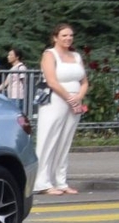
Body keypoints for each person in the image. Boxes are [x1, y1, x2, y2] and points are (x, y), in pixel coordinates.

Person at [36, 23, 88, 195]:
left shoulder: (76, 56)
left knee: (65, 141)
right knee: (49, 139)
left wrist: (79, 96)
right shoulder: (49, 55)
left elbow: (84, 81)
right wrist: (69, 98)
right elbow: (52, 81)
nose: (68, 38)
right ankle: (42, 182)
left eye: (70, 35)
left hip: (74, 100)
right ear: (55, 37)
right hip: (55, 99)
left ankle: (61, 180)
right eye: (64, 35)